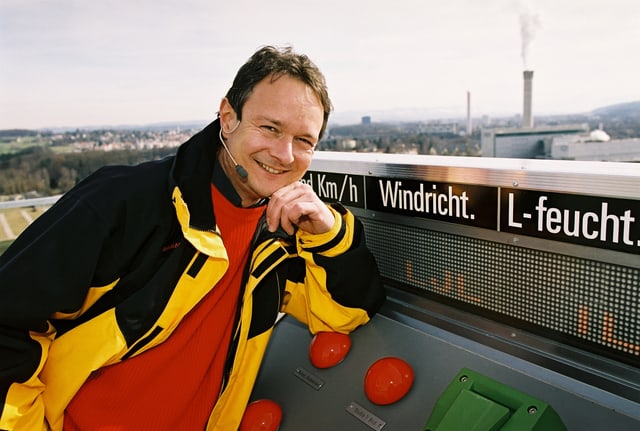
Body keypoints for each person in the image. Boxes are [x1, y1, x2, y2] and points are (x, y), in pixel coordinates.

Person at [0, 45, 385, 430]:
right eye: (270, 128)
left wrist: (329, 235)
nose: (285, 154)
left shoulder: (282, 234)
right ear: (228, 117)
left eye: (304, 140)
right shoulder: (127, 202)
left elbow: (343, 314)